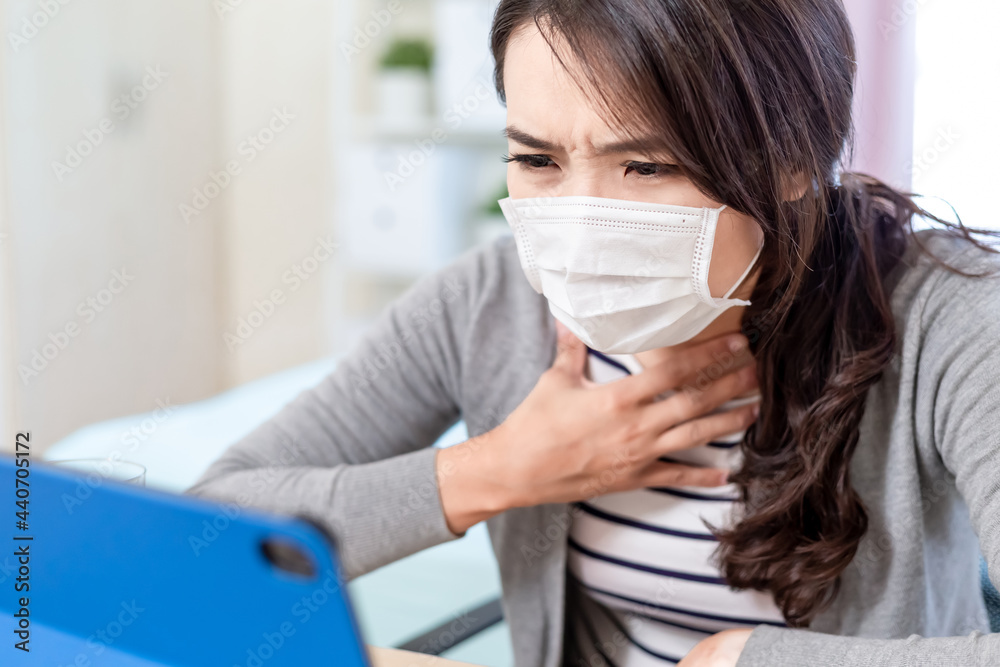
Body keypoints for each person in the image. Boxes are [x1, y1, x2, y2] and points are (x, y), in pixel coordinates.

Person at [185, 1, 1000, 665]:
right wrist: (497, 469)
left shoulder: (951, 316)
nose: (577, 228)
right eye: (537, 161)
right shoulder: (488, 301)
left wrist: (748, 661)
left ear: (793, 158)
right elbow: (205, 535)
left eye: (646, 167)